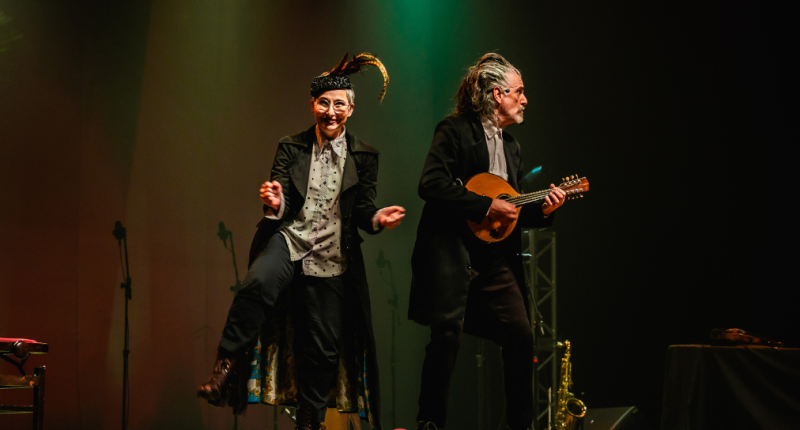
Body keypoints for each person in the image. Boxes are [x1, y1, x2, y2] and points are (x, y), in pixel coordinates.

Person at [198, 52, 404, 430]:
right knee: (256, 284)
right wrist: (275, 203)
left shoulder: (365, 156)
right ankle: (224, 369)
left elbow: (363, 209)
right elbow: (282, 199)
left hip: (333, 255)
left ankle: (309, 422)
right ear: (313, 105)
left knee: (322, 347)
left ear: (351, 109)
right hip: (289, 238)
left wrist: (375, 218)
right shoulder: (291, 146)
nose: (330, 112)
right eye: (323, 103)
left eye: (338, 105)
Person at [409, 53, 567, 430]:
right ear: (497, 94)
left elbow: (510, 209)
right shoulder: (454, 130)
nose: (525, 100)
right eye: (519, 92)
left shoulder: (511, 147)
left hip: (495, 256)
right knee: (446, 337)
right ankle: (429, 423)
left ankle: (520, 426)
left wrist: (544, 209)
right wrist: (484, 203)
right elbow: (431, 183)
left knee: (520, 335)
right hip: (452, 250)